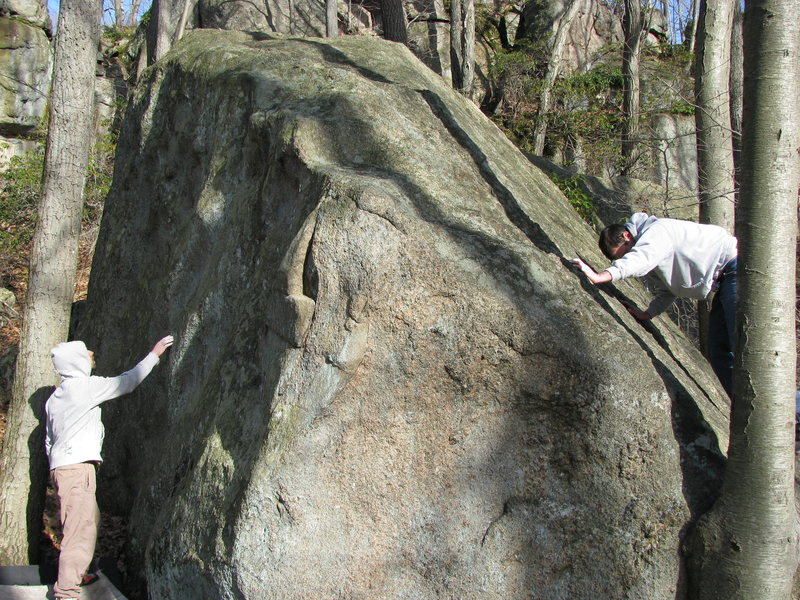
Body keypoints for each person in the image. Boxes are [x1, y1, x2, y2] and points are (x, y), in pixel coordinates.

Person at [45, 335, 174, 600]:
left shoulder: (57, 397)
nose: (92, 353)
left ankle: (77, 573)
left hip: (65, 467)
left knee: (88, 521)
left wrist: (58, 463)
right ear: (76, 362)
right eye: (85, 352)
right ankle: (66, 591)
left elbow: (49, 439)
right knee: (79, 527)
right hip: (76, 468)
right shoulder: (83, 387)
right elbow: (126, 382)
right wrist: (155, 353)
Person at [570, 213, 737, 396]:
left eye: (626, 252)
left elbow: (641, 258)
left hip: (737, 269)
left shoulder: (658, 231)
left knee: (741, 342)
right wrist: (648, 314)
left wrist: (600, 276)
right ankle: (743, 406)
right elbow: (670, 289)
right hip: (726, 281)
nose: (629, 256)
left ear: (627, 236)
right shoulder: (653, 246)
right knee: (718, 350)